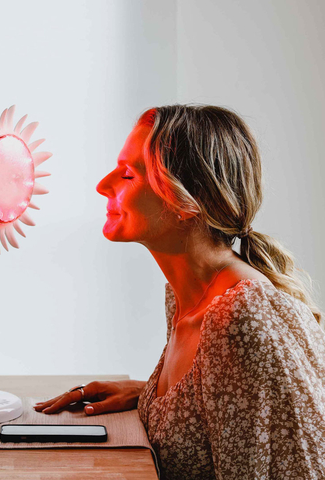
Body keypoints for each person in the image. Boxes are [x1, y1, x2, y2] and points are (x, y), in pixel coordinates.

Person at [33, 105, 325, 479]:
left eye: (127, 174)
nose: (103, 185)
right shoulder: (184, 295)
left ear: (185, 203)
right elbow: (238, 414)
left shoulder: (240, 315)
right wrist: (154, 399)